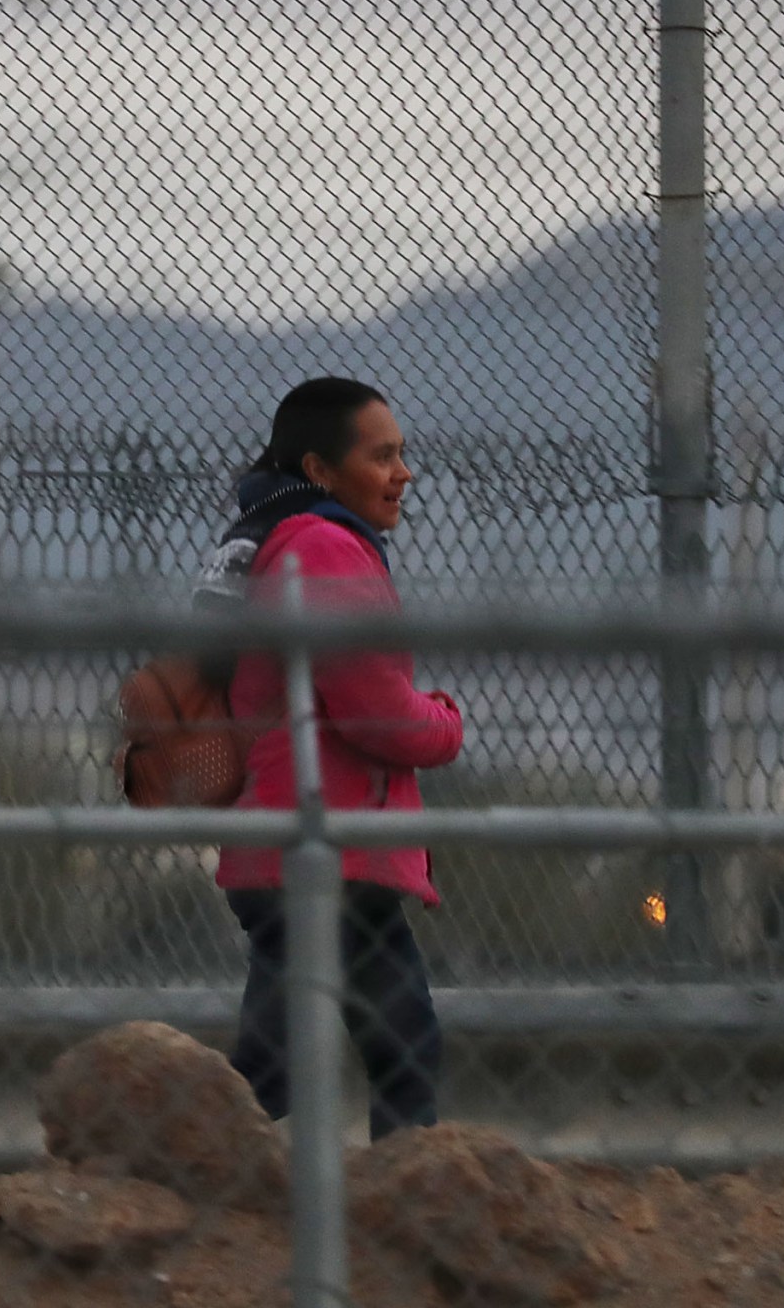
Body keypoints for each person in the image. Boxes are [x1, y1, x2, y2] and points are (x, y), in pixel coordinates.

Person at [213, 377, 462, 1140]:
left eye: (403, 455)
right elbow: (374, 707)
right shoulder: (321, 546)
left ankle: (186, 1171)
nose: (402, 472)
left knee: (271, 1065)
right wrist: (445, 723)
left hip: (297, 846)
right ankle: (406, 1213)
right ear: (320, 470)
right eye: (381, 456)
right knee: (404, 1051)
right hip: (327, 847)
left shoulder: (289, 538)